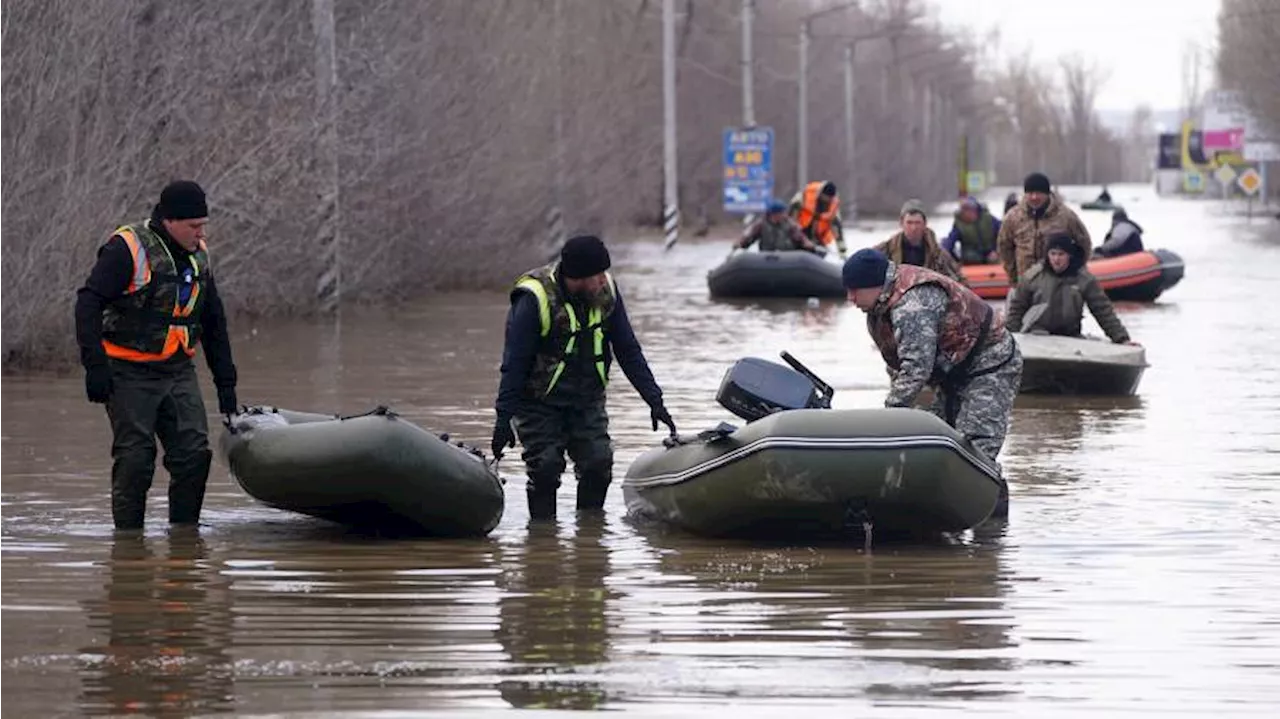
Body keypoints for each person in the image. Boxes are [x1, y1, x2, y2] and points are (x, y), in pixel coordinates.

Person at [74, 181, 238, 531]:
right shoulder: (127, 249)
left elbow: (213, 321)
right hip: (127, 371)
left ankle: (184, 541)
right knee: (136, 459)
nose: (201, 233)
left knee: (194, 455)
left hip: (177, 370)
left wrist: (226, 384)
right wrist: (95, 367)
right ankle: (129, 546)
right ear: (170, 221)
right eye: (194, 226)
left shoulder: (199, 255)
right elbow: (88, 302)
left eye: (203, 224)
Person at [492, 235, 676, 520]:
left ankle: (590, 537)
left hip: (587, 398)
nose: (604, 281)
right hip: (537, 401)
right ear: (577, 277)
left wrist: (655, 400)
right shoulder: (534, 298)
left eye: (604, 274)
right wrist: (503, 419)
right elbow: (514, 363)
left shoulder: (606, 293)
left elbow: (628, 349)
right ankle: (542, 539)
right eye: (597, 276)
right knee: (546, 468)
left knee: (598, 465)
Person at [842, 248, 1021, 516]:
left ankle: (990, 533)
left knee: (976, 447)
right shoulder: (880, 306)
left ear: (876, 285)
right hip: (954, 371)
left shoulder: (912, 304)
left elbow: (916, 369)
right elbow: (898, 364)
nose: (850, 298)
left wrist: (888, 415)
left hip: (989, 364)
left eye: (855, 291)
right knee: (939, 440)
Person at [1006, 235, 1137, 345]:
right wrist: (1010, 340)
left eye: (1061, 254)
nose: (1056, 259)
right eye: (1053, 254)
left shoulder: (1084, 279)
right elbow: (1016, 310)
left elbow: (1102, 310)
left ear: (1069, 255)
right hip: (1035, 336)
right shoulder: (1032, 277)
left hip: (1071, 338)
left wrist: (1122, 339)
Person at [996, 172, 1093, 284]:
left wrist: (1073, 271)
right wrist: (1013, 277)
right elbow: (1004, 247)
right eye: (1030, 193)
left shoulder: (1065, 216)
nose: (1034, 197)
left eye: (1038, 193)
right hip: (1025, 282)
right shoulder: (1013, 217)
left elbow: (1084, 243)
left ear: (1047, 194)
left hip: (1058, 283)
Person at [873, 199, 965, 283]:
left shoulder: (938, 255)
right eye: (909, 222)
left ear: (925, 224)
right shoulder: (886, 250)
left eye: (917, 223)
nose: (913, 228)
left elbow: (960, 280)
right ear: (901, 223)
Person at [734, 198, 820, 253]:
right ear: (773, 214)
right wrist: (740, 243)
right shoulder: (761, 225)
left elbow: (800, 238)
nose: (782, 215)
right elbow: (749, 237)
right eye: (780, 213)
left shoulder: (790, 225)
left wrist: (807, 244)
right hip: (767, 258)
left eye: (783, 213)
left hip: (788, 259)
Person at [791, 181, 848, 258]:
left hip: (818, 239)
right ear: (821, 193)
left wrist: (842, 252)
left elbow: (837, 230)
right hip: (799, 235)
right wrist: (799, 237)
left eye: (829, 199)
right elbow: (790, 219)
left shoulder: (833, 209)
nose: (827, 201)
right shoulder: (802, 197)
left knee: (819, 253)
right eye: (825, 197)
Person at [943, 196, 1002, 265]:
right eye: (964, 210)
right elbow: (950, 242)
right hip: (971, 260)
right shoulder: (959, 225)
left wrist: (996, 251)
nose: (966, 213)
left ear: (975, 210)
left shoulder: (990, 220)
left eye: (968, 209)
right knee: (971, 256)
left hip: (992, 258)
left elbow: (1003, 236)